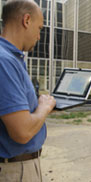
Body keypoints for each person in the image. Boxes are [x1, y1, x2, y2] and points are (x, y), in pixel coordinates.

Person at [0, 0, 56, 181]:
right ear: (26, 20)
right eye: (39, 28)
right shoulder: (5, 61)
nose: (39, 36)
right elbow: (22, 132)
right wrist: (44, 108)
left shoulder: (11, 58)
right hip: (15, 170)